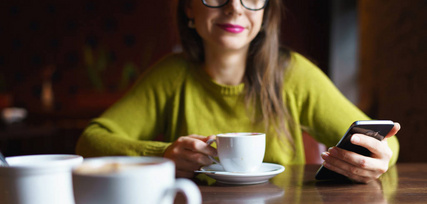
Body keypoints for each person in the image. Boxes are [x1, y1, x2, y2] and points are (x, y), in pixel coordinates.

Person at [76, 0, 400, 183]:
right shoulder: (171, 76)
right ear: (189, 8)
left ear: (265, 13)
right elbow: (91, 140)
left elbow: (386, 143)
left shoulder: (293, 73)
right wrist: (160, 155)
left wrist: (377, 158)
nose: (234, 8)